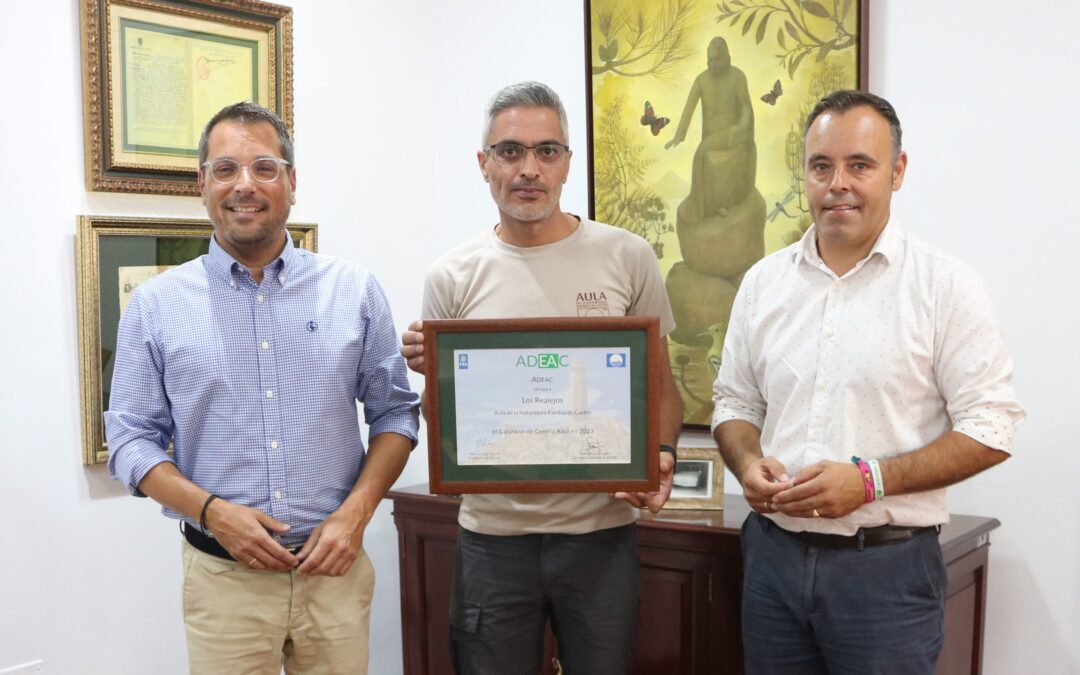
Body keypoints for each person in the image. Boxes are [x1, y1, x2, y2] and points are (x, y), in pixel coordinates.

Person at [711, 89, 1025, 674]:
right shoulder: (763, 283)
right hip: (771, 561)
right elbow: (734, 401)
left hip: (886, 574)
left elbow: (992, 427)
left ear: (897, 171)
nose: (838, 184)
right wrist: (747, 463)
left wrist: (870, 481)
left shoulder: (946, 287)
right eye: (821, 166)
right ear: (804, 173)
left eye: (860, 165)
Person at [105, 101, 420, 674]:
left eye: (264, 168)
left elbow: (396, 414)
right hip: (224, 584)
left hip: (335, 578)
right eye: (224, 169)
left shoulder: (354, 290)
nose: (243, 185)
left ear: (292, 183)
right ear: (201, 185)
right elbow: (131, 441)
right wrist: (211, 511)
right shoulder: (155, 306)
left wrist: (357, 512)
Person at [399, 81, 683, 675]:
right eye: (509, 151)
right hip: (492, 540)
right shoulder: (451, 275)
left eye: (547, 151)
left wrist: (658, 454)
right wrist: (437, 372)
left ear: (567, 163)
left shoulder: (627, 256)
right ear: (484, 165)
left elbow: (660, 390)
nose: (529, 169)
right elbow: (440, 422)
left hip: (601, 536)